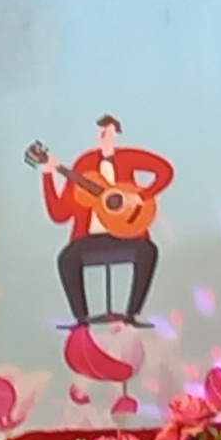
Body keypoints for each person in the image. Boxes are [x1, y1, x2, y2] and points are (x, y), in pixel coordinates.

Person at [30, 115, 175, 330]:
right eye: (101, 131)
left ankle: (132, 314)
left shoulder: (127, 157)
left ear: (116, 134)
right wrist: (48, 173)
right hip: (89, 239)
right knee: (67, 259)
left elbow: (165, 171)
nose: (105, 135)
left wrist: (141, 196)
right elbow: (59, 214)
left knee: (147, 251)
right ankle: (82, 320)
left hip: (128, 235)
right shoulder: (85, 164)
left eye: (109, 131)